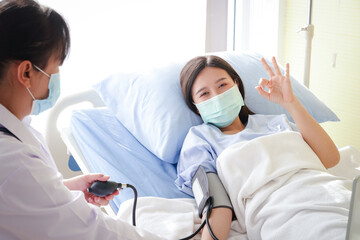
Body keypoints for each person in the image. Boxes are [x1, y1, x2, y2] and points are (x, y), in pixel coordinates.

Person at [0, 0, 163, 239]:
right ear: (26, 72)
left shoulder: (14, 138)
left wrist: (64, 189)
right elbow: (93, 231)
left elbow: (20, 198)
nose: (55, 78)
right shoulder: (14, 161)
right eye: (55, 67)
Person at [175, 55, 341, 240]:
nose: (217, 96)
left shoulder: (275, 122)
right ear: (196, 107)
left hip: (328, 191)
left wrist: (291, 104)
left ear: (237, 85)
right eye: (204, 94)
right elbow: (218, 207)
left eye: (222, 85)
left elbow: (330, 159)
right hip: (281, 210)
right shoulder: (200, 139)